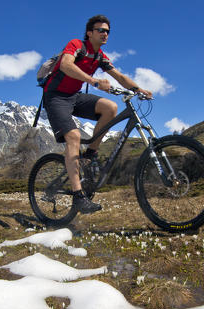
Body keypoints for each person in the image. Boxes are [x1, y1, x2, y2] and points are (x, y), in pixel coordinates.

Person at [42, 14, 152, 214]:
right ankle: (78, 197)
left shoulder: (100, 56)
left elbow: (118, 76)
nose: (105, 34)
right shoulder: (77, 45)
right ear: (89, 33)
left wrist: (138, 89)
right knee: (74, 136)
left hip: (74, 97)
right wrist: (94, 82)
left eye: (108, 31)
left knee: (110, 108)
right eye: (101, 30)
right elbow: (66, 65)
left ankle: (89, 155)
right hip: (56, 97)